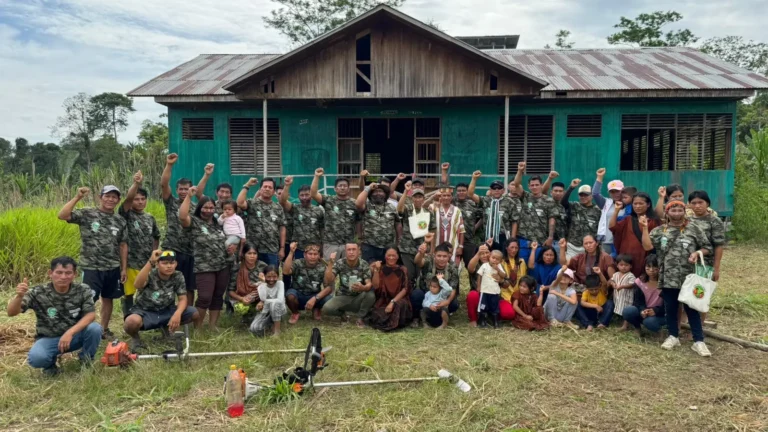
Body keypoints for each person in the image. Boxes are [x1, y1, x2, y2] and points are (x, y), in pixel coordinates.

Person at [7, 257, 102, 376]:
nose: (63, 277)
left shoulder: (83, 289)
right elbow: (11, 312)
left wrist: (70, 333)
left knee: (95, 328)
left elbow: (90, 314)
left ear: (74, 274)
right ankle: (50, 366)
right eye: (59, 272)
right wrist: (19, 296)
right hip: (49, 338)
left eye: (68, 273)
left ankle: (86, 361)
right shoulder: (38, 292)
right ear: (50, 273)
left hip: (74, 337)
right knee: (37, 358)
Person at [642, 202, 713, 356]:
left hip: (689, 278)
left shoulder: (694, 228)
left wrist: (697, 253)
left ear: (684, 212)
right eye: (673, 209)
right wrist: (645, 228)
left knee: (692, 309)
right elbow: (647, 247)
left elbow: (708, 247)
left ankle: (698, 341)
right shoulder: (660, 231)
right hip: (668, 277)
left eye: (680, 209)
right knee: (671, 309)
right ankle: (673, 336)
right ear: (667, 213)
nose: (676, 212)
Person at [58, 185, 127, 340]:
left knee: (108, 299)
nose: (110, 199)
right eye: (107, 196)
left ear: (118, 200)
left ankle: (103, 329)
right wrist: (77, 197)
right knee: (88, 300)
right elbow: (62, 215)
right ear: (100, 197)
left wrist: (123, 268)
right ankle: (80, 331)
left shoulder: (120, 220)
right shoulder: (88, 213)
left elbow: (123, 245)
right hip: (91, 267)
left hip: (112, 267)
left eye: (114, 197)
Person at [179, 186, 235, 330]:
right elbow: (182, 216)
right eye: (205, 207)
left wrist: (230, 247)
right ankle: (197, 328)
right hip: (204, 267)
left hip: (223, 265)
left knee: (217, 297)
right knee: (204, 297)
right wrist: (188, 197)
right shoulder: (195, 222)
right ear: (199, 208)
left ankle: (213, 326)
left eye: (211, 208)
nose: (208, 210)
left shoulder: (218, 224)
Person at [123, 250, 199, 350]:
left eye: (172, 263)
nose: (169, 266)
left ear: (176, 264)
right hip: (145, 311)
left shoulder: (178, 275)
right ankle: (136, 339)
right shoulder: (150, 273)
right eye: (165, 263)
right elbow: (137, 285)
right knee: (131, 322)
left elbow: (182, 298)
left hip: (166, 310)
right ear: (158, 264)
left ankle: (166, 331)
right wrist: (150, 262)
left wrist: (177, 314)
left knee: (194, 313)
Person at [119, 170, 161, 316]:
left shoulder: (150, 218)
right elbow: (128, 198)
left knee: (149, 292)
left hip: (147, 263)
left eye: (143, 199)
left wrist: (153, 256)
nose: (140, 201)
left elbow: (156, 236)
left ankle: (148, 319)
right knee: (128, 295)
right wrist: (136, 183)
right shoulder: (126, 214)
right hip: (130, 263)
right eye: (137, 199)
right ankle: (128, 321)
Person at [160, 153, 197, 303]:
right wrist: (169, 165)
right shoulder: (171, 202)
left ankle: (186, 317)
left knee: (189, 287)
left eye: (186, 189)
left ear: (191, 190)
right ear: (176, 190)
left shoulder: (196, 208)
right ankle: (166, 315)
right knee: (166, 283)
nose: (183, 191)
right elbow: (164, 184)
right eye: (181, 189)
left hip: (190, 251)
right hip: (171, 248)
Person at [512, 162, 560, 262]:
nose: (534, 187)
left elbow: (552, 220)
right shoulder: (525, 196)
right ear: (529, 186)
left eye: (537, 185)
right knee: (521, 265)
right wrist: (520, 170)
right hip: (523, 240)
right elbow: (516, 184)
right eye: (532, 185)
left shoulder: (549, 200)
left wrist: (550, 237)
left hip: (540, 240)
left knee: (535, 266)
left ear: (541, 185)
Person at [323, 243, 375, 327]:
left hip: (358, 297)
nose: (351, 252)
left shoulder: (364, 264)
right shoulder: (340, 263)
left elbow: (369, 284)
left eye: (354, 249)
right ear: (345, 252)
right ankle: (343, 315)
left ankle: (360, 317)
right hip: (343, 296)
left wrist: (363, 287)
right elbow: (328, 280)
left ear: (359, 251)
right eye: (349, 250)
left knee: (370, 295)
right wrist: (330, 263)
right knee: (326, 309)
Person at [237, 177, 286, 267]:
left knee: (271, 278)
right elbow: (239, 203)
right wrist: (247, 185)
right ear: (260, 189)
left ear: (274, 191)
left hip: (272, 250)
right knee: (252, 278)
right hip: (253, 250)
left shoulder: (278, 207)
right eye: (265, 186)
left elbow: (282, 228)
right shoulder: (252, 203)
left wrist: (282, 248)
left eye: (270, 187)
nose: (267, 189)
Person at [311, 168, 358, 260]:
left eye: (345, 186)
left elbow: (359, 221)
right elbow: (313, 194)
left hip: (348, 244)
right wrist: (316, 177)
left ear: (348, 189)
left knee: (347, 271)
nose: (342, 187)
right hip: (331, 243)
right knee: (330, 270)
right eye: (340, 186)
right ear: (335, 189)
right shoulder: (328, 200)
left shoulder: (354, 203)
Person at [609, 192, 659, 278]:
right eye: (635, 204)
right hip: (627, 258)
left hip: (644, 256)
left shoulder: (653, 222)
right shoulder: (628, 219)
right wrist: (616, 210)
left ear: (648, 204)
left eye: (641, 203)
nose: (637, 206)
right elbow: (612, 227)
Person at [397, 182, 435, 289]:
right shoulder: (408, 209)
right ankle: (408, 296)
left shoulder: (429, 212)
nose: (418, 199)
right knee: (409, 275)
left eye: (420, 197)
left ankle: (418, 296)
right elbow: (399, 209)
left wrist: (432, 249)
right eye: (415, 197)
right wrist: (405, 192)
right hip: (407, 248)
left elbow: (432, 230)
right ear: (412, 198)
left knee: (421, 275)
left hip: (422, 248)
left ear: (423, 199)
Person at [467, 171, 517, 252]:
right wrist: (474, 179)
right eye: (494, 188)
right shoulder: (485, 200)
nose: (496, 190)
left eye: (499, 188)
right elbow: (470, 194)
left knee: (502, 260)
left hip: (503, 236)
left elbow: (514, 221)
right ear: (490, 190)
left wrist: (512, 239)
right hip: (487, 236)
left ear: (503, 190)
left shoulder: (510, 202)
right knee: (486, 259)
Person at [412, 242, 460, 326]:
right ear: (434, 255)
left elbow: (453, 288)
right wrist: (420, 253)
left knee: (454, 303)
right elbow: (417, 261)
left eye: (444, 256)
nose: (441, 259)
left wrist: (447, 301)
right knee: (416, 294)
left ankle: (442, 315)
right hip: (427, 295)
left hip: (442, 297)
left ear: (449, 256)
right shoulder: (429, 260)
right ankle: (416, 318)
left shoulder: (453, 268)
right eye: (439, 256)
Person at [283, 243, 333, 323]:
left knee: (329, 299)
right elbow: (285, 271)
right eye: (310, 254)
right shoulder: (298, 263)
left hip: (314, 296)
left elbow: (329, 287)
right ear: (304, 255)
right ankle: (295, 313)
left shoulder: (322, 267)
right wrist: (291, 252)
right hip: (298, 295)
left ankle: (316, 309)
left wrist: (315, 298)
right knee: (290, 296)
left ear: (319, 256)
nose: (312, 257)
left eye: (315, 254)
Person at [368, 249, 413, 331]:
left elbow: (405, 289)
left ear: (398, 257)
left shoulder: (403, 269)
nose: (391, 258)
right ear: (385, 257)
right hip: (383, 300)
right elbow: (375, 286)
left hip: (399, 299)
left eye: (394, 255)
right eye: (389, 255)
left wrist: (392, 302)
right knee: (378, 314)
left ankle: (394, 324)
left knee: (398, 306)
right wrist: (376, 270)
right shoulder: (381, 268)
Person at [622, 254, 665, 336]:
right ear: (644, 267)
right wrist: (643, 310)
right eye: (648, 267)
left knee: (649, 321)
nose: (651, 270)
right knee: (628, 311)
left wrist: (656, 311)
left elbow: (668, 305)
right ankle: (637, 328)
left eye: (655, 267)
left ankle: (660, 331)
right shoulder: (639, 282)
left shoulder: (665, 284)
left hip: (660, 314)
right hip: (644, 311)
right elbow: (637, 302)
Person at [356, 182, 399, 263]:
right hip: (369, 246)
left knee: (386, 272)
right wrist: (368, 188)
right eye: (375, 191)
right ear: (370, 194)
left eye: (381, 191)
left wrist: (398, 241)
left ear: (385, 194)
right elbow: (358, 204)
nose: (378, 193)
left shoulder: (392, 207)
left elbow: (398, 224)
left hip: (388, 246)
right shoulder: (366, 205)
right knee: (369, 272)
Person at [688, 190, 725, 283]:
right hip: (688, 264)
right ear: (689, 205)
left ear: (707, 203)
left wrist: (716, 269)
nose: (697, 206)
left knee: (699, 293)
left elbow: (718, 246)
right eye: (694, 203)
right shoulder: (687, 221)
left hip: (705, 265)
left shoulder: (715, 221)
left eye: (700, 202)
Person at [561, 179, 602, 261]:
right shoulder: (575, 205)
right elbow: (563, 202)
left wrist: (598, 245)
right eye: (581, 195)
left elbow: (600, 229)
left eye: (586, 195)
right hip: (573, 246)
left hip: (589, 248)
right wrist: (571, 187)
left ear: (591, 196)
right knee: (567, 269)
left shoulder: (598, 210)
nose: (583, 197)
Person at [228, 243, 268, 321]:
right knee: (240, 308)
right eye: (249, 253)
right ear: (243, 254)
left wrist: (264, 281)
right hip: (244, 298)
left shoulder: (263, 266)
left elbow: (272, 285)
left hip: (261, 297)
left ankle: (261, 314)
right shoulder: (237, 268)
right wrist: (242, 298)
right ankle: (248, 315)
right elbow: (231, 291)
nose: (252, 256)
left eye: (254, 253)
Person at [592, 168, 623, 257]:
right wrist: (599, 177)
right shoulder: (606, 203)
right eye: (612, 192)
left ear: (623, 191)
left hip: (621, 240)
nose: (615, 194)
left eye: (617, 191)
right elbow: (595, 194)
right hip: (606, 241)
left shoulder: (628, 204)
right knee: (605, 265)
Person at [249, 266, 286, 337]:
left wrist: (263, 302)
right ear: (264, 276)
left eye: (274, 277)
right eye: (268, 277)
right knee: (254, 329)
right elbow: (263, 298)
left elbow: (280, 300)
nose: (271, 279)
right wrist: (263, 282)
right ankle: (270, 324)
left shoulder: (280, 283)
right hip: (266, 310)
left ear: (278, 276)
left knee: (274, 304)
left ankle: (277, 331)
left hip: (279, 309)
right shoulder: (261, 285)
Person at [434, 184, 465, 265]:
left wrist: (461, 247)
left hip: (453, 245)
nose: (446, 197)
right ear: (440, 196)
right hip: (436, 244)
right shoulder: (434, 208)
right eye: (444, 195)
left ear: (452, 197)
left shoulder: (457, 210)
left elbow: (461, 230)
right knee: (436, 266)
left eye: (448, 195)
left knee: (452, 267)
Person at [498, 238, 527, 321]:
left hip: (519, 295)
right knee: (508, 314)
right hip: (505, 294)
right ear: (506, 248)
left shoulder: (521, 262)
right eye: (512, 247)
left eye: (516, 248)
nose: (514, 250)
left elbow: (523, 279)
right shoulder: (501, 261)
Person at [476, 250, 506, 328]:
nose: (494, 260)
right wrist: (478, 286)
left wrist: (498, 270)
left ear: (500, 261)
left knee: (494, 306)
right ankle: (482, 320)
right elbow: (479, 276)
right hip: (485, 291)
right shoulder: (484, 266)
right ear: (489, 257)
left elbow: (504, 276)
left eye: (497, 259)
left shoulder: (499, 266)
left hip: (495, 291)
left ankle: (495, 321)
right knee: (483, 306)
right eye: (493, 258)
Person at [465, 244, 491, 326]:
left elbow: (504, 281)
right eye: (481, 253)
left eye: (487, 252)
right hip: (478, 294)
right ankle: (473, 319)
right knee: (472, 295)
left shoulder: (496, 264)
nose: (485, 255)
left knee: (507, 313)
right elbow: (470, 268)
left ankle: (489, 316)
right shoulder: (476, 264)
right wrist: (478, 253)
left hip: (492, 295)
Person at [610, 254, 637, 331]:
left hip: (626, 296)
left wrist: (622, 286)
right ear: (617, 265)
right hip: (618, 296)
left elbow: (632, 284)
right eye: (621, 265)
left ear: (630, 266)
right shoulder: (616, 274)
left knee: (626, 309)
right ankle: (620, 322)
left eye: (626, 265)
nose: (623, 267)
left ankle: (625, 325)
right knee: (619, 307)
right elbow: (612, 280)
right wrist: (613, 284)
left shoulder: (630, 275)